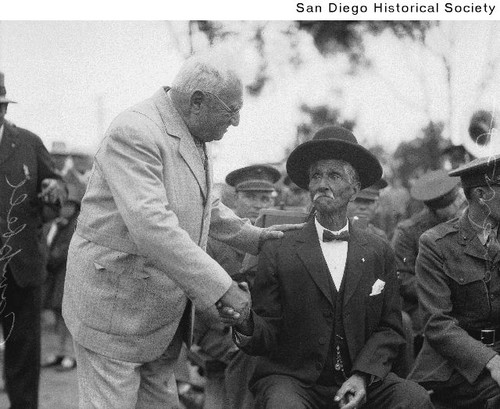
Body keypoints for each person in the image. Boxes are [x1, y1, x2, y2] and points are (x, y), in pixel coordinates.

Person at [62, 51, 297, 409]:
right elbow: (152, 226)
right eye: (231, 110)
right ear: (197, 101)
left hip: (156, 314)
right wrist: (223, 288)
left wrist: (254, 237)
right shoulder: (135, 132)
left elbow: (206, 206)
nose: (235, 122)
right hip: (115, 312)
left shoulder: (191, 133)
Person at [220, 126, 433, 409]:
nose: (322, 183)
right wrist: (245, 320)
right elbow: (265, 334)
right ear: (308, 186)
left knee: (413, 399)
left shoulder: (378, 250)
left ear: (355, 188)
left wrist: (362, 376)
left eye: (334, 175)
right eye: (316, 176)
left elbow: (389, 327)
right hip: (294, 381)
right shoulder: (279, 247)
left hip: (359, 378)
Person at [409, 154, 500, 409]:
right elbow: (437, 323)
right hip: (454, 362)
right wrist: (491, 361)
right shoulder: (436, 244)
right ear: (482, 195)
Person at [0, 71, 66, 408]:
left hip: (21, 267)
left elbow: (56, 196)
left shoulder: (28, 143)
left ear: (4, 108)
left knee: (23, 354)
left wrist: (53, 193)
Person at [194, 164, 280, 409]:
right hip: (216, 328)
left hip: (260, 325)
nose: (257, 204)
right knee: (248, 353)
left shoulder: (276, 238)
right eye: (250, 197)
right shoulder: (212, 239)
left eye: (264, 198)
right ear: (235, 198)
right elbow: (199, 298)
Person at [392, 169, 465, 349]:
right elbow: (401, 278)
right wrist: (440, 290)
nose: (458, 206)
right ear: (436, 208)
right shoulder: (407, 232)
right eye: (453, 203)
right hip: (422, 305)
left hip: (462, 300)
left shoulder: (462, 225)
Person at [42, 175, 87, 372]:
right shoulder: (60, 223)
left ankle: (70, 354)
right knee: (58, 316)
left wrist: (48, 258)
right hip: (58, 277)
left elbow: (62, 251)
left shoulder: (75, 224)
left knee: (68, 319)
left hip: (68, 278)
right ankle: (61, 352)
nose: (65, 208)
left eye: (69, 204)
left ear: (76, 206)